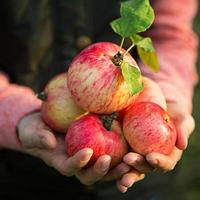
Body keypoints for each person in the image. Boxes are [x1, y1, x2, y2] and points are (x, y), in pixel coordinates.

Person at [0, 0, 198, 199]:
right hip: (22, 172)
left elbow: (171, 35)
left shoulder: (128, 82)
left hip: (144, 184)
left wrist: (170, 92)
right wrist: (13, 111)